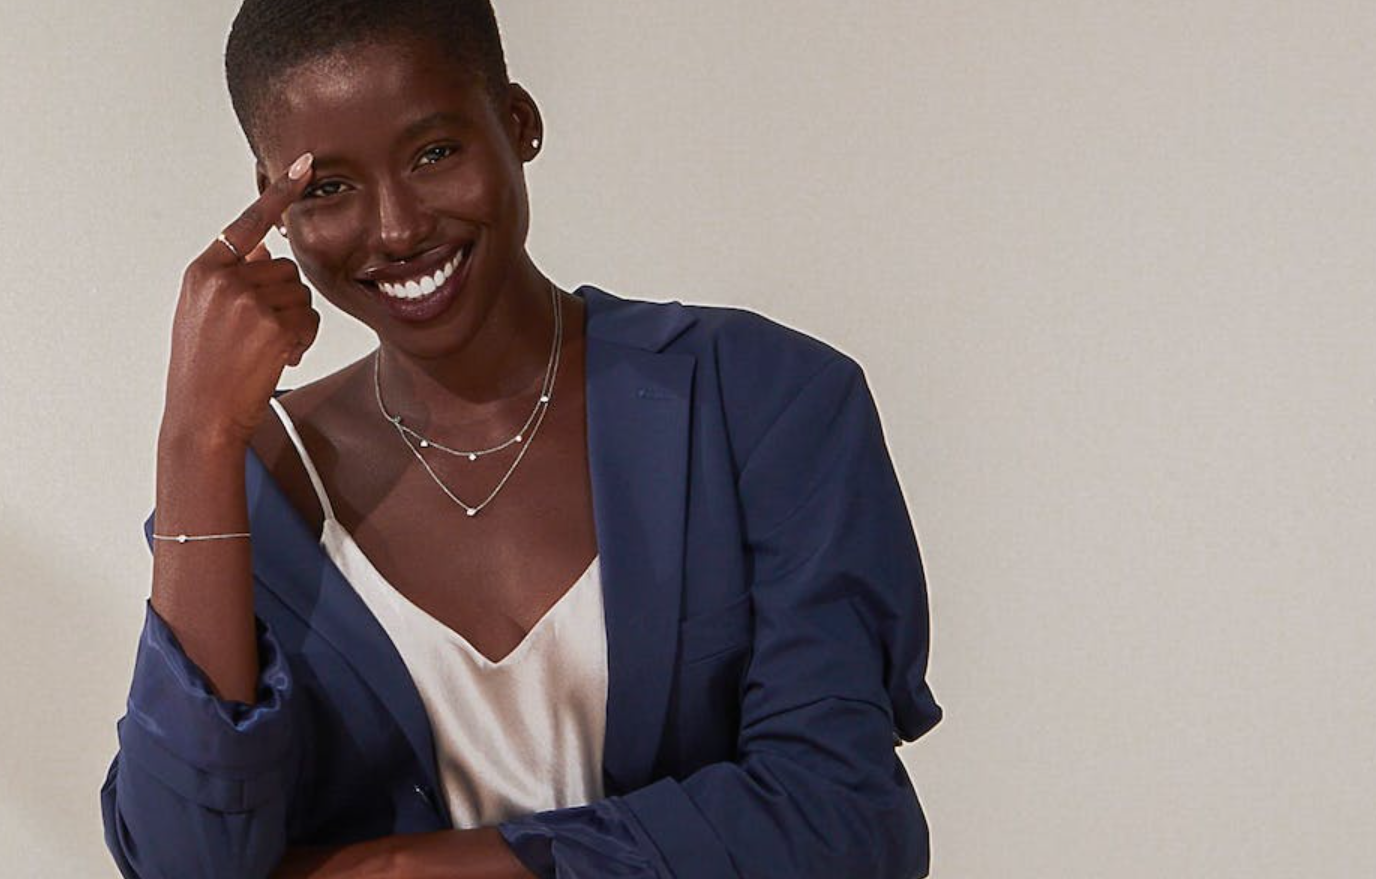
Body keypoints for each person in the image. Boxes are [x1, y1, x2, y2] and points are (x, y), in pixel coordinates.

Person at [98, 2, 943, 877]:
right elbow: (185, 860)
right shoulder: (260, 485)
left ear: (517, 123)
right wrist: (195, 437)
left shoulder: (763, 400)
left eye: (433, 153)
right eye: (327, 187)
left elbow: (843, 823)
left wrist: (397, 868)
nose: (396, 229)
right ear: (273, 201)